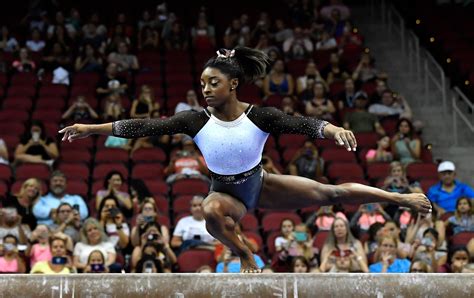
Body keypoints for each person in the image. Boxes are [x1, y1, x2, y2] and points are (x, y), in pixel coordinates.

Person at [59, 46, 432, 273]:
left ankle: (400, 198)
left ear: (233, 84)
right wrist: (93, 128)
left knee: (331, 193)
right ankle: (245, 254)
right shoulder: (194, 119)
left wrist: (334, 130)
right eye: (203, 83)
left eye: (213, 83)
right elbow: (143, 126)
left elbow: (302, 124)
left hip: (261, 183)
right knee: (209, 211)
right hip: (228, 194)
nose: (205, 89)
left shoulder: (260, 116)